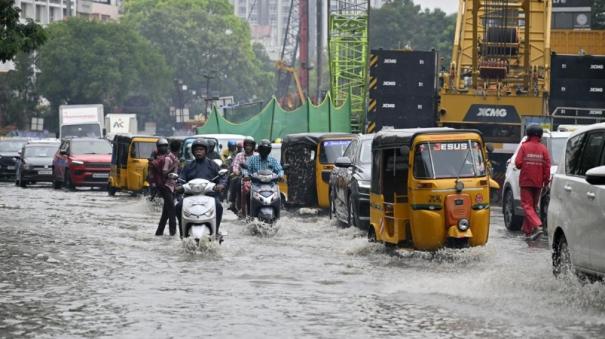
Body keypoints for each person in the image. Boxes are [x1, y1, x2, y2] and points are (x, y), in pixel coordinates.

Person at [176, 139, 227, 237]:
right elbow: (181, 179)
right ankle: (182, 232)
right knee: (178, 206)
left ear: (206, 151)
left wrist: (221, 185)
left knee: (219, 206)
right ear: (193, 151)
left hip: (209, 196)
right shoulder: (188, 166)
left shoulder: (213, 165)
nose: (199, 151)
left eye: (201, 149)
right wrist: (178, 186)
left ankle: (216, 231)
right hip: (190, 196)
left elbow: (222, 177)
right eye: (196, 150)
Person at [515, 125, 551, 240]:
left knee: (527, 206)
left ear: (528, 134)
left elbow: (518, 163)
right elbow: (547, 167)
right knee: (532, 208)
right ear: (540, 135)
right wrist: (546, 182)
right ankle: (528, 232)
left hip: (526, 182)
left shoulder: (524, 147)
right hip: (538, 183)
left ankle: (538, 226)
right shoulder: (543, 149)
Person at [241, 139, 284, 215]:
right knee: (248, 194)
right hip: (256, 185)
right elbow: (246, 169)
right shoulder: (252, 159)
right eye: (263, 149)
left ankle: (278, 215)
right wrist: (246, 175)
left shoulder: (273, 160)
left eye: (266, 149)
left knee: (280, 195)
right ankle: (248, 215)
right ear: (259, 149)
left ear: (269, 150)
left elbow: (279, 169)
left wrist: (280, 176)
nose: (264, 151)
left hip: (271, 186)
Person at [151, 138, 179, 236]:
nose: (163, 148)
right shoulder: (167, 158)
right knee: (172, 212)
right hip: (165, 186)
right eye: (161, 146)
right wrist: (173, 166)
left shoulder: (173, 157)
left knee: (166, 213)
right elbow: (164, 173)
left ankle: (159, 233)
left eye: (164, 146)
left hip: (171, 186)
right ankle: (173, 234)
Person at [230, 137, 257, 214]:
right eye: (246, 145)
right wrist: (236, 172)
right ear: (244, 146)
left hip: (256, 178)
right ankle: (236, 205)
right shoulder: (239, 155)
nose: (248, 147)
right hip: (242, 177)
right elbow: (235, 166)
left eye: (250, 145)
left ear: (253, 146)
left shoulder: (257, 155)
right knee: (237, 183)